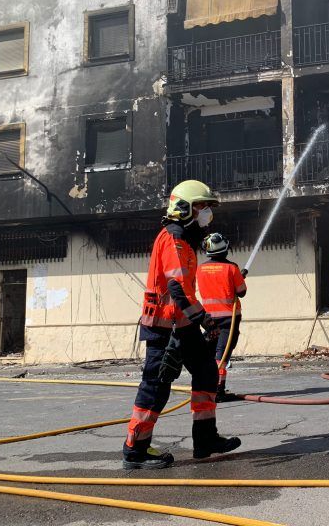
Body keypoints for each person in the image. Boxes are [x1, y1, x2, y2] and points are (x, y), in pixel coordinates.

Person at [122, 180, 241, 470]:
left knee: (206, 373)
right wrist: (205, 318)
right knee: (156, 386)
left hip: (182, 324)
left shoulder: (185, 240)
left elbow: (183, 291)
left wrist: (198, 320)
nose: (207, 213)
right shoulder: (173, 238)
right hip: (164, 326)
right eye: (203, 206)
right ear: (185, 207)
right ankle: (135, 449)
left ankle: (205, 440)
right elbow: (177, 287)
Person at [196, 232, 248, 403]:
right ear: (225, 249)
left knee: (210, 354)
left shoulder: (200, 269)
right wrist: (238, 277)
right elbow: (242, 292)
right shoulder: (232, 268)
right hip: (229, 320)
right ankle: (218, 391)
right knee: (222, 355)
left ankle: (207, 388)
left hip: (209, 320)